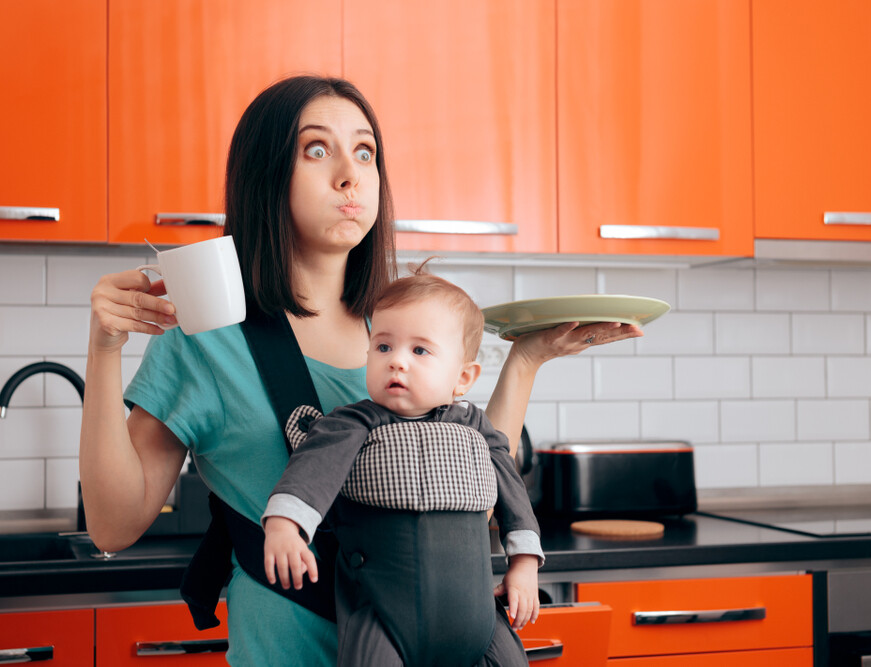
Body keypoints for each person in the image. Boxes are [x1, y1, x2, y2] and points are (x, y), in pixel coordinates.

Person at [79, 74, 643, 666]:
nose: (350, 174)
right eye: (317, 149)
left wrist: (526, 360)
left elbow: (459, 500)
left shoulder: (398, 328)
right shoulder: (208, 339)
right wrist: (104, 349)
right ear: (266, 174)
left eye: (366, 151)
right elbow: (113, 528)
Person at [262, 269, 544, 667]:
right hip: (383, 617)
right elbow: (312, 471)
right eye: (383, 347)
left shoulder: (476, 427)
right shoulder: (353, 422)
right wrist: (283, 526)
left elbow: (514, 497)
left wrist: (525, 565)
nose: (396, 362)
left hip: (480, 620)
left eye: (419, 351)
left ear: (463, 377)